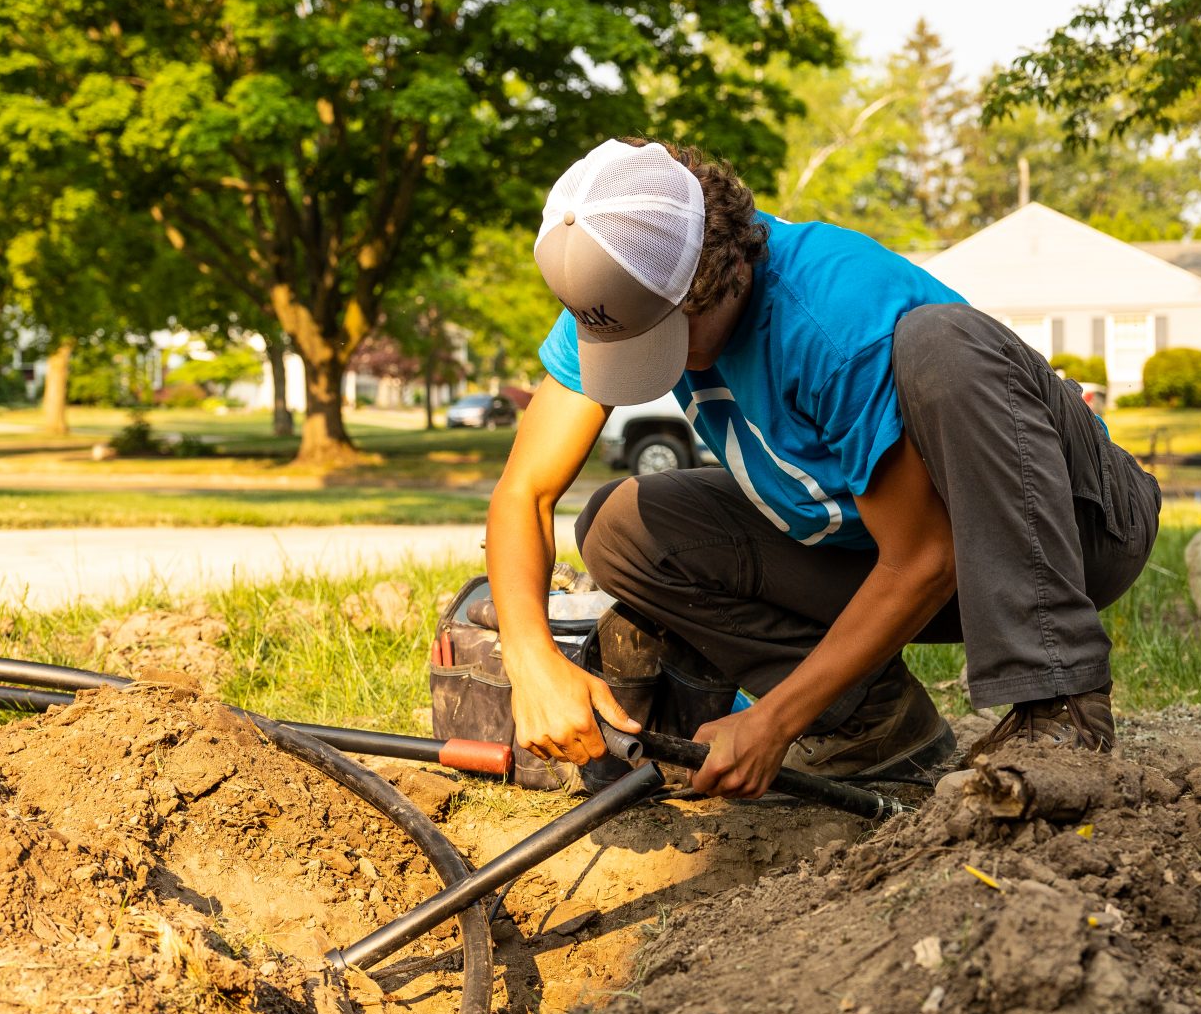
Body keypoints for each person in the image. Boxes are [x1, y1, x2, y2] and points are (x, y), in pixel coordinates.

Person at [487, 139, 1162, 799]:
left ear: (712, 276)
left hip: (1067, 528)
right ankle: (874, 727)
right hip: (893, 549)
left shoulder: (829, 313)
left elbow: (925, 555)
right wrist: (532, 659)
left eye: (660, 339)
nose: (643, 364)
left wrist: (774, 720)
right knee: (620, 527)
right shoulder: (624, 281)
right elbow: (526, 491)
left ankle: (1058, 709)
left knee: (942, 344)